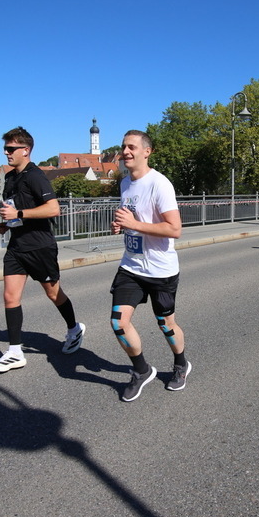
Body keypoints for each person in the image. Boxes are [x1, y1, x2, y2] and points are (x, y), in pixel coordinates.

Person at [0, 126, 85, 372]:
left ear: (26, 150)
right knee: (10, 297)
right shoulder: (10, 177)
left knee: (53, 293)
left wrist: (19, 214)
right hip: (17, 247)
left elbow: (53, 209)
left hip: (39, 247)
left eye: (11, 148)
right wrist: (7, 223)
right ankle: (15, 352)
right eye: (5, 148)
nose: (6, 153)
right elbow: (15, 209)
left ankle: (74, 328)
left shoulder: (36, 176)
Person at [110, 130, 191, 402]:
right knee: (118, 322)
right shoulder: (124, 184)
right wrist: (121, 225)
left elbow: (174, 229)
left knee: (166, 324)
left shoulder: (160, 184)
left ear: (147, 152)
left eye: (132, 147)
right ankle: (141, 370)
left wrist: (134, 224)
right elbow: (133, 219)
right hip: (131, 266)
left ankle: (180, 363)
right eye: (124, 147)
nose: (125, 152)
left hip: (160, 270)